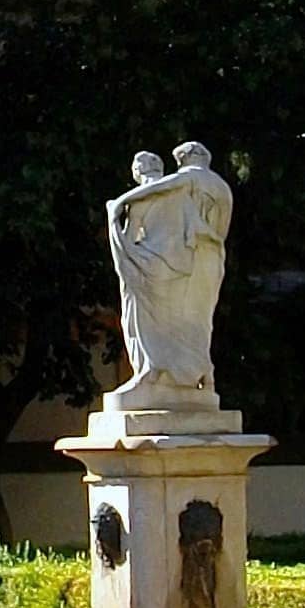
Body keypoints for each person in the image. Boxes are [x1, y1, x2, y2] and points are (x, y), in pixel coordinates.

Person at [105, 141, 233, 412]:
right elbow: (200, 227)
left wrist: (117, 209)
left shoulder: (165, 188)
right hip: (194, 263)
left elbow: (129, 238)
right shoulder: (198, 192)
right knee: (192, 321)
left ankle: (151, 371)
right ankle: (200, 376)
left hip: (157, 264)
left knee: (142, 313)